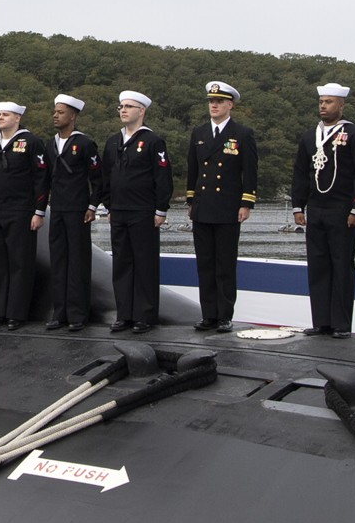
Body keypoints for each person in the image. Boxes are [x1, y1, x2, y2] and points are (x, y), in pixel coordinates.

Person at [290, 84, 355, 338]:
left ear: (341, 105)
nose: (323, 106)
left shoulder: (354, 134)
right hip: (316, 209)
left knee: (341, 266)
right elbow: (301, 173)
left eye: (329, 102)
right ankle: (321, 321)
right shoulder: (309, 136)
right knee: (318, 266)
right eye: (321, 102)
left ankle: (341, 323)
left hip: (342, 210)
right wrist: (297, 205)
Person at [186, 81, 258, 333]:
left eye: (219, 102)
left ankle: (224, 315)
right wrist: (191, 200)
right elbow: (193, 169)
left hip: (228, 207)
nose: (213, 105)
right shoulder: (199, 133)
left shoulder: (242, 133)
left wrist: (246, 202)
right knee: (204, 264)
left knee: (224, 265)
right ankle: (208, 315)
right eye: (210, 101)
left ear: (230, 105)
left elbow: (249, 172)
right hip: (203, 207)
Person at [101, 90, 170, 334]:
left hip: (143, 211)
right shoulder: (113, 142)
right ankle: (125, 315)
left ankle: (145, 315)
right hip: (119, 211)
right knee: (122, 265)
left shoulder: (153, 141)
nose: (123, 110)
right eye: (121, 106)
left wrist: (160, 209)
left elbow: (162, 178)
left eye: (128, 106)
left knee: (144, 264)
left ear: (141, 111)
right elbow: (105, 177)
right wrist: (108, 205)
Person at [0, 102, 48, 331]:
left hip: (21, 211)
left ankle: (16, 314)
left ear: (17, 118)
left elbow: (41, 179)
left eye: (5, 114)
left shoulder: (31, 143)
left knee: (20, 263)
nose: (0, 117)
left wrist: (38, 211)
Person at [46, 95, 101, 332]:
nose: (55, 115)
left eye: (60, 112)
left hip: (78, 211)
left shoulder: (86, 144)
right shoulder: (50, 145)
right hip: (57, 209)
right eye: (54, 112)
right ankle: (60, 313)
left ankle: (78, 314)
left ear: (73, 116)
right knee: (58, 262)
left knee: (78, 263)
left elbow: (98, 180)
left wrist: (92, 206)